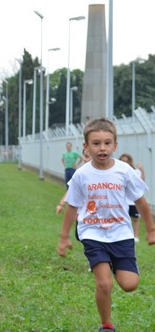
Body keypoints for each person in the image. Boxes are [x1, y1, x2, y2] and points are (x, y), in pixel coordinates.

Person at [57, 118, 155, 332]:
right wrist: (64, 237)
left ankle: (112, 263)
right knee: (105, 284)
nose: (102, 148)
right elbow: (72, 207)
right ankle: (107, 325)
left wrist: (151, 230)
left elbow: (141, 202)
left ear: (115, 145)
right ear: (86, 147)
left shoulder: (124, 171)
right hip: (93, 233)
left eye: (107, 143)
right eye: (96, 143)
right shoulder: (81, 174)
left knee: (130, 285)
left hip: (121, 234)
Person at [118, 153, 146, 242]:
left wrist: (142, 170)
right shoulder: (117, 172)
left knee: (135, 219)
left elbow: (141, 182)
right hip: (122, 201)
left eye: (126, 161)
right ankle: (123, 236)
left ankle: (136, 237)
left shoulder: (135, 172)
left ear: (130, 162)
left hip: (133, 201)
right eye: (122, 161)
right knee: (122, 220)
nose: (125, 163)